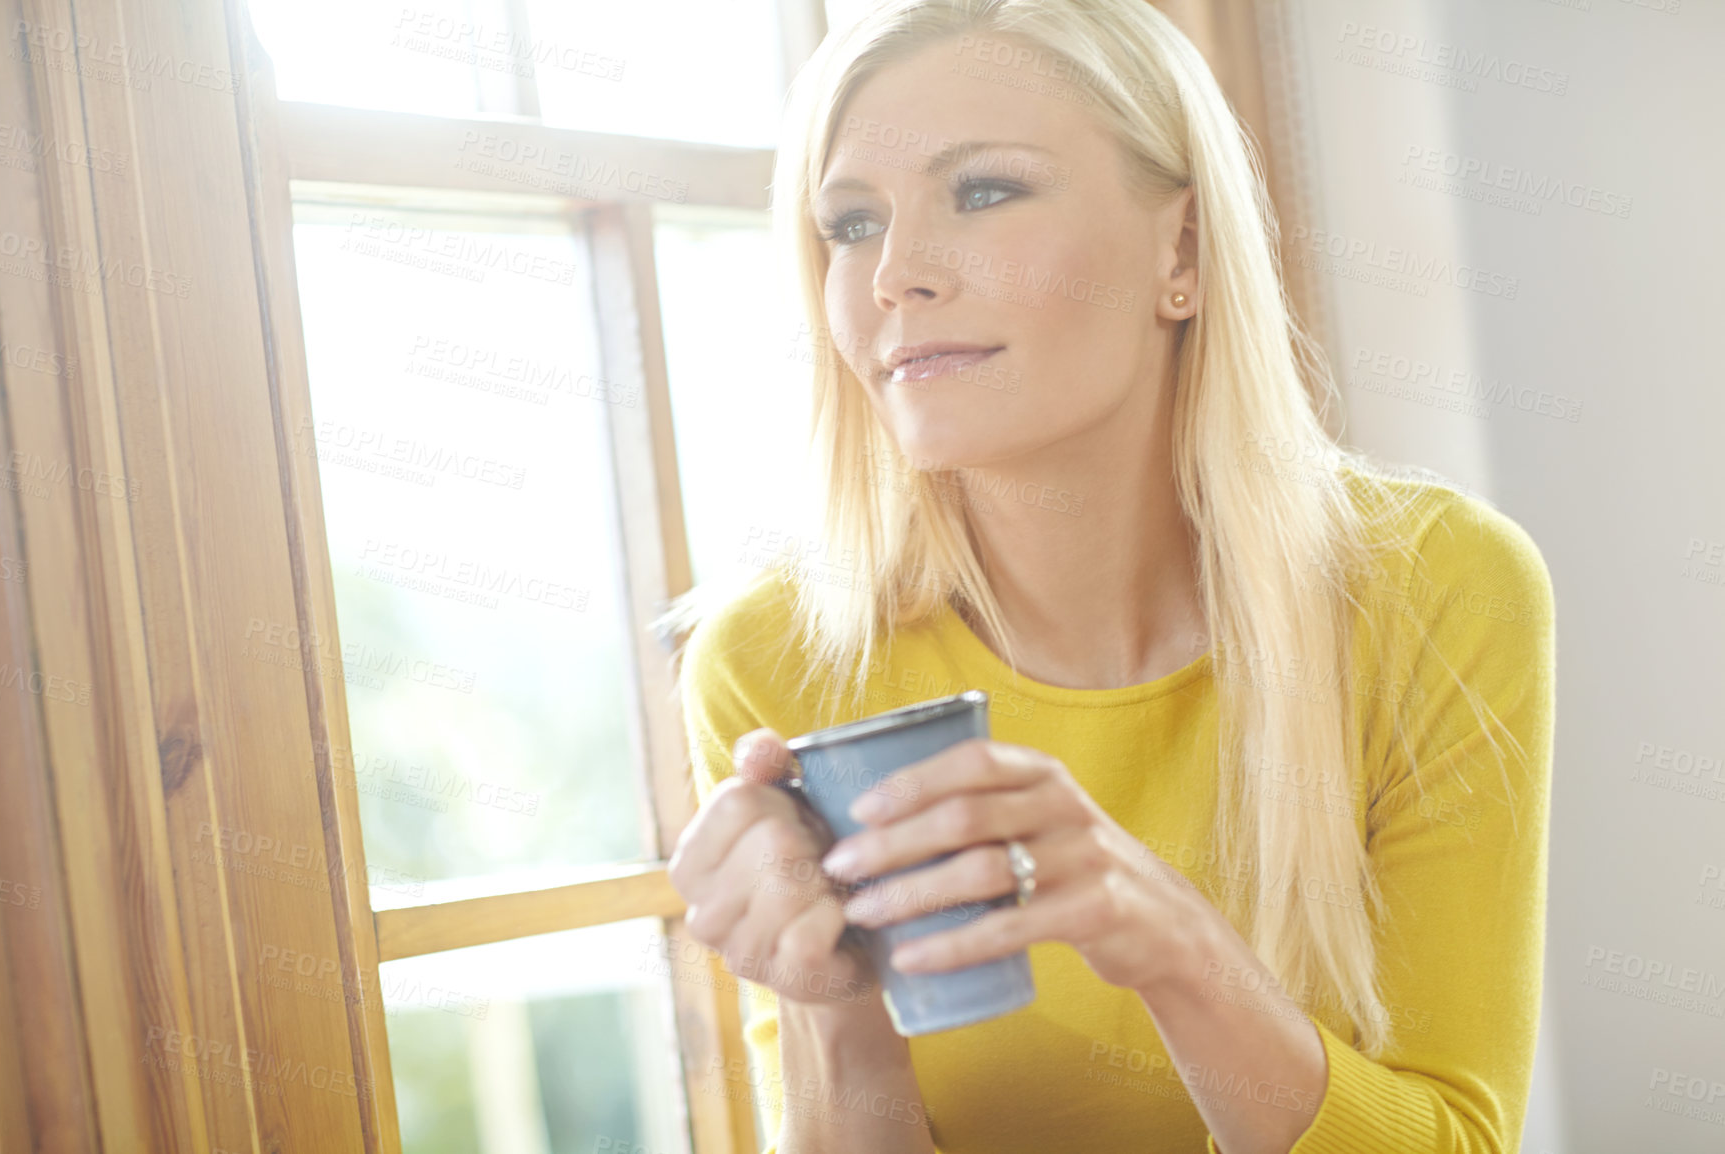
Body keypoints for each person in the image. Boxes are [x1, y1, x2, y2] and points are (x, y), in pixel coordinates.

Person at [662, 1, 1556, 1151]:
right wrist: (834, 1013)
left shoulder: (1440, 588)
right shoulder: (775, 660)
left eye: (982, 191)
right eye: (848, 223)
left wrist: (1173, 948)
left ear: (1179, 253)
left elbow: (1455, 1134)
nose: (893, 275)